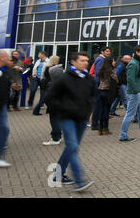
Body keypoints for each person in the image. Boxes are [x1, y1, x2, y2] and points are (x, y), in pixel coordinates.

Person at [45, 52, 95, 191]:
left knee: (71, 148)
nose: (86, 63)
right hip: (66, 118)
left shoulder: (89, 79)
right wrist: (62, 109)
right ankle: (79, 180)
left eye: (87, 60)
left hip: (81, 118)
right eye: (82, 60)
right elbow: (49, 97)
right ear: (73, 62)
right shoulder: (64, 78)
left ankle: (58, 175)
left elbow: (92, 96)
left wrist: (88, 109)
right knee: (72, 147)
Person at [42, 56, 64, 146]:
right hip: (59, 105)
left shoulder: (52, 84)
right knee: (57, 120)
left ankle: (56, 138)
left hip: (54, 106)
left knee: (54, 121)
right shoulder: (62, 82)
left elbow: (47, 97)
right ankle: (57, 135)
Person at [91, 46, 111, 131]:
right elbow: (98, 73)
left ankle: (96, 122)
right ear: (102, 52)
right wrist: (100, 84)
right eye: (106, 51)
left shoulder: (103, 59)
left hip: (100, 85)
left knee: (100, 105)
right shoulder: (100, 59)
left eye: (109, 51)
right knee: (98, 105)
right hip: (99, 86)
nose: (108, 53)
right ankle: (95, 123)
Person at [97, 57, 118, 136]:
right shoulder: (111, 71)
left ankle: (100, 129)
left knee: (102, 110)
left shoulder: (101, 71)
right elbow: (116, 79)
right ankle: (105, 129)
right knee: (106, 111)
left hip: (101, 91)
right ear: (110, 62)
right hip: (107, 92)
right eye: (113, 61)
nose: (114, 62)